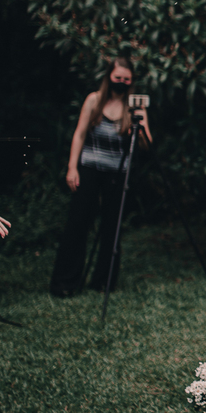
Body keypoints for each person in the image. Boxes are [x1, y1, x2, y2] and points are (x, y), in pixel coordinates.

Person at [49, 57, 152, 297]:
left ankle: (103, 281)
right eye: (118, 78)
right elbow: (80, 133)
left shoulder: (134, 106)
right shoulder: (94, 100)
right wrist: (72, 167)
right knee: (77, 224)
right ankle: (65, 282)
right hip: (89, 167)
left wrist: (138, 126)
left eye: (127, 79)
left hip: (118, 172)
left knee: (112, 228)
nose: (122, 83)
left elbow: (147, 144)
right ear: (109, 77)